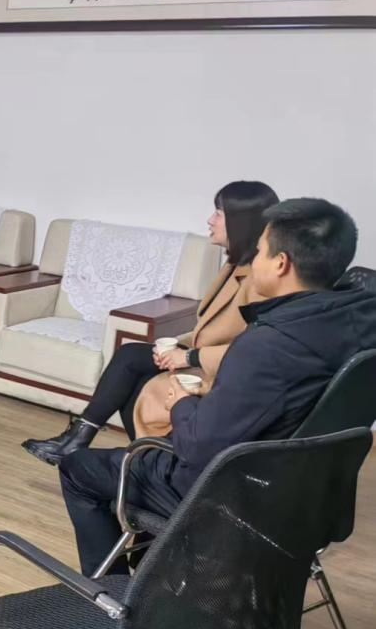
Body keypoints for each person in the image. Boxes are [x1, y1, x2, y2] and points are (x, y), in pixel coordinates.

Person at [59, 198, 376, 577]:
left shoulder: (269, 344)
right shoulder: (358, 322)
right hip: (306, 503)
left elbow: (197, 448)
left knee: (78, 470)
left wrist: (181, 403)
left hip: (232, 499)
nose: (254, 261)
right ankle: (158, 571)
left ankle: (114, 598)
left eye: (260, 251)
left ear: (281, 263)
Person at [23, 181, 280, 464]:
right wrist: (177, 347)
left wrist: (188, 356)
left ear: (240, 221)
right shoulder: (233, 265)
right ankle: (87, 442)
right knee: (131, 357)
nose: (210, 220)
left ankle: (116, 452)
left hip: (221, 374)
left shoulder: (259, 280)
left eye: (218, 214)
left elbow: (250, 349)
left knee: (134, 376)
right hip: (201, 359)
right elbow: (209, 328)